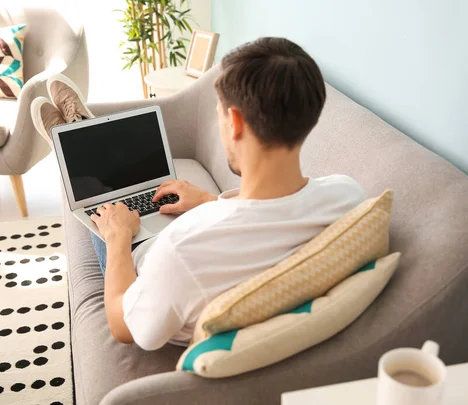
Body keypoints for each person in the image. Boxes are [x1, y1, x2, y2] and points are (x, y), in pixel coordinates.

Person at [32, 37, 365, 351]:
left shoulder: (182, 253)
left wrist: (119, 239)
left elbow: (124, 327)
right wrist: (209, 201)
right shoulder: (347, 196)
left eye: (218, 114)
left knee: (101, 201)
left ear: (234, 122)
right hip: (192, 242)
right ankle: (76, 132)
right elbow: (265, 216)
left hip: (141, 261)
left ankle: (70, 141)